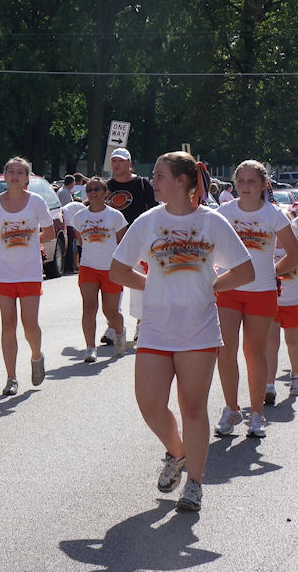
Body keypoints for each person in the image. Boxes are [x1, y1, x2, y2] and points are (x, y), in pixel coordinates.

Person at [110, 151, 254, 512]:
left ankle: (194, 485)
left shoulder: (212, 222)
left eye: (159, 175)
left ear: (182, 181)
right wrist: (153, 286)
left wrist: (211, 287)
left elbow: (245, 270)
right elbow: (118, 270)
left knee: (192, 407)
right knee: (149, 404)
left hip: (198, 329)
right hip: (156, 328)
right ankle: (177, 453)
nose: (153, 181)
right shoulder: (148, 221)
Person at [214, 160, 298, 438]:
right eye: (241, 181)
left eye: (252, 181)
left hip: (262, 292)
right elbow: (208, 246)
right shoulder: (224, 212)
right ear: (234, 184)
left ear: (264, 184)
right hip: (228, 290)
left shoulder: (274, 214)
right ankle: (231, 409)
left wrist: (272, 272)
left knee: (254, 353)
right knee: (226, 350)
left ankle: (257, 414)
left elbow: (295, 254)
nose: (246, 186)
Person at [0, 156, 54, 395]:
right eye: (11, 172)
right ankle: (11, 377)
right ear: (4, 176)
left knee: (29, 324)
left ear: (27, 178)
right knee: (8, 323)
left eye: (20, 172)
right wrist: (4, 244)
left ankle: (36, 356)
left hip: (30, 271)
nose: (15, 176)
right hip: (5, 272)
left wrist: (29, 242)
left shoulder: (36, 202)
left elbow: (49, 232)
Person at [103, 147, 158, 345]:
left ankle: (141, 324)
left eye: (121, 161)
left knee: (139, 284)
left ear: (129, 163)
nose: (117, 165)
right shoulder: (107, 186)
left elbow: (154, 211)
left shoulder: (142, 183)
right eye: (114, 161)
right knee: (113, 284)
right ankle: (113, 326)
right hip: (114, 241)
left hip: (140, 241)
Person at [72, 177, 127, 362]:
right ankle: (90, 347)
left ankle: (119, 333)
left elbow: (122, 243)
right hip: (88, 267)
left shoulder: (115, 216)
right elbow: (80, 241)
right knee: (89, 307)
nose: (93, 192)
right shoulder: (79, 217)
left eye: (97, 189)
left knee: (110, 312)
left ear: (105, 192)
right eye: (89, 190)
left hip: (111, 269)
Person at [265, 218, 298, 402]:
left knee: (291, 341)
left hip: (293, 300)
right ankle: (269, 385)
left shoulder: (294, 243)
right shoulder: (267, 242)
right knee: (271, 342)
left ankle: (295, 376)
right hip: (272, 300)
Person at [62, 194, 86, 273]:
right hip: (70, 224)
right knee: (73, 247)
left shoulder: (75, 206)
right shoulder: (84, 208)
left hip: (66, 221)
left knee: (70, 246)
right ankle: (73, 267)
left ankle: (70, 266)